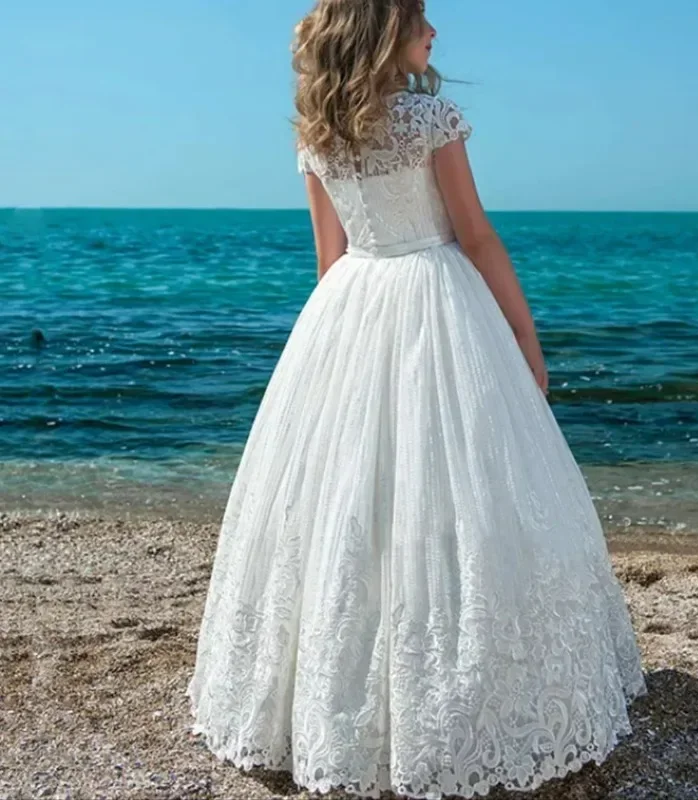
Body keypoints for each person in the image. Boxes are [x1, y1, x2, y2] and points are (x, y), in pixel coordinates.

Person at [185, 1, 648, 797]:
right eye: (421, 21)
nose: (435, 35)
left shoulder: (317, 128)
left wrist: (335, 365)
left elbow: (329, 259)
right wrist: (527, 345)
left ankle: (335, 699)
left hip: (349, 305)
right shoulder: (431, 116)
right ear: (383, 33)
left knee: (349, 504)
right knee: (462, 494)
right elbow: (474, 236)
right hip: (436, 296)